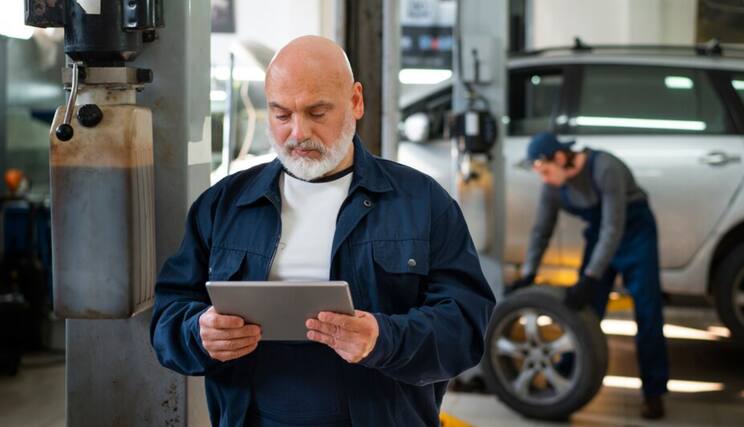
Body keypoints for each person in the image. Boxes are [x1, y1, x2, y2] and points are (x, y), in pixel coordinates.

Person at [150, 35, 496, 427]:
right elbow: (167, 317)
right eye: (282, 115)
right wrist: (198, 333)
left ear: (356, 101)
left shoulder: (422, 202)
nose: (298, 133)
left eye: (317, 113)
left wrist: (383, 339)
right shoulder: (224, 205)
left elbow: (465, 327)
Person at [509, 132, 669, 419]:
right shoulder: (552, 187)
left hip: (635, 234)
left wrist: (591, 276)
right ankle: (566, 379)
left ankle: (653, 392)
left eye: (545, 170)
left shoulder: (605, 167)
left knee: (648, 311)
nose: (544, 179)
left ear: (560, 157)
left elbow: (613, 227)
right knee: (583, 312)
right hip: (599, 237)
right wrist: (529, 273)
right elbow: (541, 230)